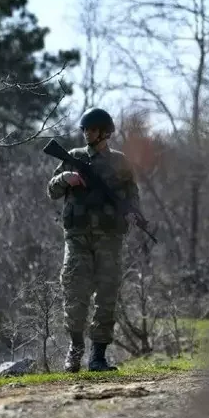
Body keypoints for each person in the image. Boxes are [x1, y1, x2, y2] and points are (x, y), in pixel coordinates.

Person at [47, 107, 140, 373]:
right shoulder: (73, 157)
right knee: (75, 294)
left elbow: (132, 194)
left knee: (107, 296)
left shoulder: (121, 162)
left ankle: (98, 356)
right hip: (77, 238)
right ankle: (75, 351)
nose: (87, 133)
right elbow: (51, 190)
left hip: (110, 239)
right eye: (85, 129)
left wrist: (134, 214)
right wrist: (65, 178)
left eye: (92, 130)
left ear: (105, 133)